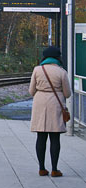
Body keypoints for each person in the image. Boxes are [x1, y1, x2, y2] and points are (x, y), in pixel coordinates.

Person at [29, 46, 71, 177]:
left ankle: (41, 168)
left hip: (40, 103)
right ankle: (54, 169)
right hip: (55, 104)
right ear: (57, 57)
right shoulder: (61, 72)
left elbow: (31, 91)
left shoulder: (37, 69)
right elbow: (67, 93)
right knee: (55, 137)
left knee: (41, 136)